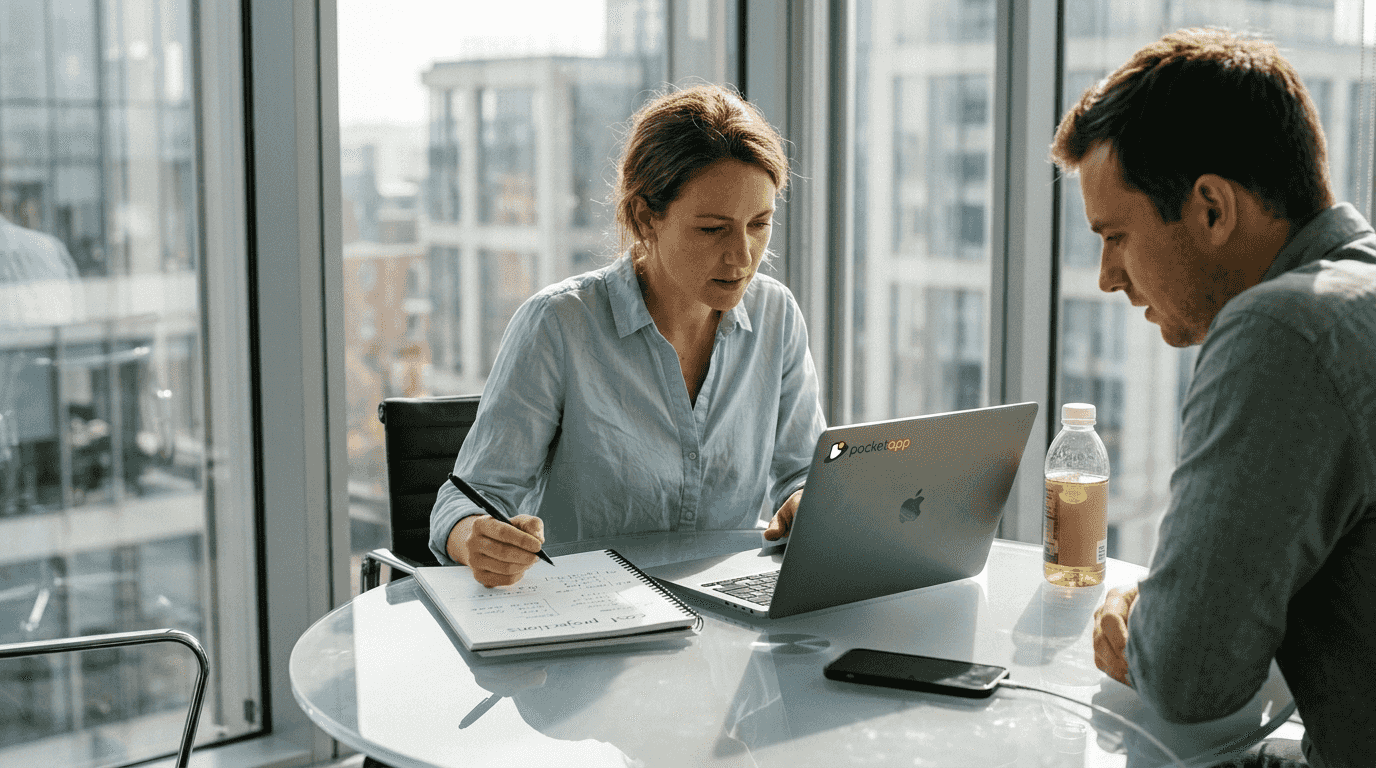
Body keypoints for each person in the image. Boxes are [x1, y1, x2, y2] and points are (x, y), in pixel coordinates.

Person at [1050, 28, 1376, 768]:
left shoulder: (1283, 331)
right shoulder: (1356, 297)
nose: (1106, 276)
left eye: (1116, 235)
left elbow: (1189, 677)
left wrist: (1145, 620)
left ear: (1210, 209)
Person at [429, 84, 827, 588]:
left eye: (759, 224)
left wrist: (804, 502)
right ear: (645, 217)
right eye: (712, 229)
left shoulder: (777, 316)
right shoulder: (558, 325)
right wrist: (475, 537)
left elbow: (803, 473)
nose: (742, 256)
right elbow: (466, 500)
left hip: (727, 606)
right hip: (587, 611)